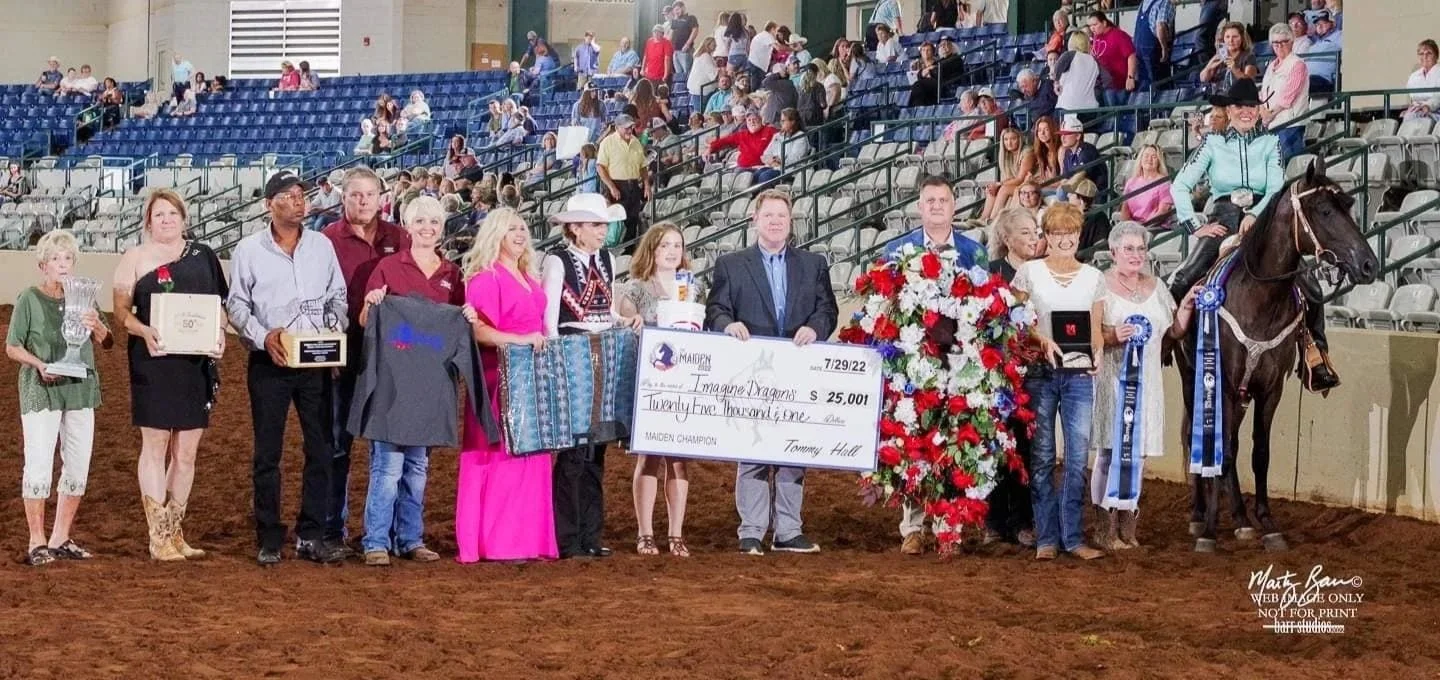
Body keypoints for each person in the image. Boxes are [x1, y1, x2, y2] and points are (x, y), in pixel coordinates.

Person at [1168, 78, 1339, 392]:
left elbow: (1275, 186)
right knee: (1183, 278)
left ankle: (1316, 355)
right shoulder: (1212, 143)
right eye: (1239, 106)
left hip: (1265, 218)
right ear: (1229, 110)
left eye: (1252, 106)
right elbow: (1180, 185)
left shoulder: (1271, 143)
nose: (1246, 111)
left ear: (1259, 110)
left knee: (1311, 287)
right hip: (1223, 217)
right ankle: (1171, 341)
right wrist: (1195, 224)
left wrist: (1255, 215)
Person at [705, 190, 839, 556]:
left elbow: (827, 310)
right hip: (752, 372)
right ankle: (751, 530)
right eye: (769, 215)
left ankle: (788, 530)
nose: (776, 221)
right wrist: (728, 325)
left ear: (791, 221)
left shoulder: (814, 264)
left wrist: (815, 328)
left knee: (793, 450)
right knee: (753, 449)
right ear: (755, 220)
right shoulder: (731, 265)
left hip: (798, 371)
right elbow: (715, 309)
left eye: (782, 215)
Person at [227, 171, 349, 566]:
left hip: (314, 360)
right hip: (270, 361)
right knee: (268, 452)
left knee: (321, 448)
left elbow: (338, 296)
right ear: (269, 204)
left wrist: (332, 331)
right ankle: (269, 537)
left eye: (300, 195)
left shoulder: (321, 246)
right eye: (288, 195)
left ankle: (311, 534)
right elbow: (237, 305)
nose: (298, 201)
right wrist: (264, 336)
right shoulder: (248, 250)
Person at [353, 196, 472, 566]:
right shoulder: (388, 267)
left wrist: (468, 313)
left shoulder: (452, 274)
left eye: (434, 222)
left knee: (417, 468)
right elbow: (364, 321)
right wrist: (372, 303)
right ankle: (376, 540)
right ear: (407, 225)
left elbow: (459, 325)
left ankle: (410, 538)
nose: (427, 228)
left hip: (430, 384)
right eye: (420, 221)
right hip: (393, 383)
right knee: (388, 467)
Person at [112, 190, 228, 561]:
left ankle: (175, 532)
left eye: (172, 213)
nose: (166, 220)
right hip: (154, 360)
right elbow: (120, 312)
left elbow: (219, 306)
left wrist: (220, 333)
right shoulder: (134, 257)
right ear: (148, 221)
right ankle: (158, 535)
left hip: (194, 363)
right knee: (156, 444)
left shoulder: (204, 255)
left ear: (184, 218)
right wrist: (143, 330)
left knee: (187, 452)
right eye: (159, 214)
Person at [882, 177, 988, 554]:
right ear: (920, 207)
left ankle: (948, 526)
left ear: (954, 206)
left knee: (955, 441)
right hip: (914, 363)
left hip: (960, 363)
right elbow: (887, 303)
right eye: (931, 200)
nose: (938, 205)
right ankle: (913, 527)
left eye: (944, 200)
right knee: (912, 442)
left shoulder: (974, 252)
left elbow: (985, 305)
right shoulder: (898, 250)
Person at [541, 194, 645, 559]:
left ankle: (590, 533)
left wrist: (624, 320)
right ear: (575, 228)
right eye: (596, 225)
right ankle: (568, 537)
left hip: (602, 354)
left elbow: (607, 310)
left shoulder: (606, 260)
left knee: (596, 450)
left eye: (603, 225)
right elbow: (550, 320)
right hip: (573, 356)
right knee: (574, 452)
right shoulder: (556, 261)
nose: (603, 231)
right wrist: (557, 365)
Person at [318, 167, 410, 555]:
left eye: (369, 195)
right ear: (344, 198)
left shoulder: (400, 238)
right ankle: (331, 527)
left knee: (386, 447)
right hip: (343, 352)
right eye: (355, 195)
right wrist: (329, 348)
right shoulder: (326, 239)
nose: (363, 201)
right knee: (337, 443)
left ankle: (383, 532)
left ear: (380, 198)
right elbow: (318, 296)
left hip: (388, 356)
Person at [1009, 203, 1106, 562]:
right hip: (1040, 372)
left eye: (1071, 233)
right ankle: (1047, 537)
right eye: (1058, 233)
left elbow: (1095, 329)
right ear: (1047, 237)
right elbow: (1015, 319)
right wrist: (1040, 339)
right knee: (1043, 457)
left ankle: (1073, 537)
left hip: (1078, 375)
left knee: (1077, 458)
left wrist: (1097, 352)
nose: (1065, 239)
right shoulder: (1030, 273)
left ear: (1079, 235)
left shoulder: (1094, 277)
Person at [9, 230, 110, 566]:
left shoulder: (84, 298)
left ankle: (60, 537)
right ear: (43, 265)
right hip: (41, 389)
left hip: (80, 389)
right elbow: (12, 346)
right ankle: (36, 540)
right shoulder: (28, 298)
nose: (63, 264)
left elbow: (107, 342)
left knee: (78, 463)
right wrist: (39, 364)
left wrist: (98, 327)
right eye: (55, 258)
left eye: (67, 258)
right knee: (38, 464)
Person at [1091, 222, 1194, 551]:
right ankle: (1105, 527)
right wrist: (1111, 336)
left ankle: (1128, 523)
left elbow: (1173, 331)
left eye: (1140, 248)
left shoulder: (1157, 286)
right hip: (1113, 382)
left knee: (1139, 453)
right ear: (1113, 252)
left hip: (1148, 383)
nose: (1136, 255)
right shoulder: (1099, 285)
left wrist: (1187, 308)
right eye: (1128, 249)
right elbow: (1091, 333)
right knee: (1110, 452)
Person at [616, 223, 703, 557]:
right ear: (651, 249)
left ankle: (676, 533)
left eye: (677, 245)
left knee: (679, 460)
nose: (672, 251)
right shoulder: (636, 289)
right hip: (650, 384)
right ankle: (646, 533)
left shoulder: (694, 288)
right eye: (665, 245)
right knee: (649, 456)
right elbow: (627, 327)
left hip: (683, 384)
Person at [983, 208, 1041, 546]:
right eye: (1025, 232)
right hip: (996, 374)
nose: (1034, 238)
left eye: (1035, 231)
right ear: (1007, 239)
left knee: (1026, 449)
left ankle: (1022, 520)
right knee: (994, 447)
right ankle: (993, 520)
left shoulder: (1043, 271)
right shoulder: (991, 273)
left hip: (1033, 375)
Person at [597, 114, 650, 252]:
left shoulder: (636, 142)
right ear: (617, 128)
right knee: (617, 221)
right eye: (626, 128)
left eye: (631, 127)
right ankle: (615, 252)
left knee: (632, 220)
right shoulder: (607, 142)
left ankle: (629, 253)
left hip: (633, 185)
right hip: (617, 185)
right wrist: (611, 187)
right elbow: (600, 167)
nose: (629, 130)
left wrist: (646, 185)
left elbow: (643, 166)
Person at [1259, 23, 1312, 163]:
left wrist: (1270, 114)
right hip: (1271, 123)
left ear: (1292, 41)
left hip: (1290, 124)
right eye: (1275, 42)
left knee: (1289, 164)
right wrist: (1263, 110)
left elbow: (1288, 96)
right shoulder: (1271, 66)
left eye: (1284, 41)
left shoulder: (1297, 64)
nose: (1279, 46)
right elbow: (1263, 92)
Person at [979, 127, 1031, 223]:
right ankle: (982, 219)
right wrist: (996, 185)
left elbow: (1020, 179)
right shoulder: (1006, 154)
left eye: (1013, 139)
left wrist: (999, 184)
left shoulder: (1027, 153)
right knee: (992, 189)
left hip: (1029, 183)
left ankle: (992, 220)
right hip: (1016, 184)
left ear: (1019, 139)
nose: (1009, 143)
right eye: (1006, 139)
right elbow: (1009, 178)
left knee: (1003, 189)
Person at [1086, 12, 1138, 107]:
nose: (1092, 28)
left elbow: (1131, 55)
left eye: (1095, 24)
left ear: (1104, 23)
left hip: (1119, 84)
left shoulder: (1118, 35)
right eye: (1090, 26)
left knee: (1118, 112)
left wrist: (1130, 77)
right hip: (1104, 85)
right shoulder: (1095, 37)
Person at [1120, 144, 1174, 226]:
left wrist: (1143, 227)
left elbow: (1163, 211)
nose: (1149, 159)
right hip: (1133, 226)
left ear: (1159, 161)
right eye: (1146, 156)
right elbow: (1125, 210)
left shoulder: (1163, 182)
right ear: (1140, 159)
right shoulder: (1131, 182)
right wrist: (1129, 226)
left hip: (1154, 227)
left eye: (1154, 157)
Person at [708, 108, 776, 172]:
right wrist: (711, 148)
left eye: (754, 119)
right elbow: (726, 141)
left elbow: (781, 137)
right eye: (749, 120)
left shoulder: (769, 131)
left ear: (760, 120)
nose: (752, 122)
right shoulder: (742, 134)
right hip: (742, 168)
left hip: (761, 168)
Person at [1200, 22, 1258, 94]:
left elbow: (1249, 84)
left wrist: (1234, 68)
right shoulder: (1219, 56)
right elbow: (1203, 79)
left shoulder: (1249, 57)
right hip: (1218, 97)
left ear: (1242, 38)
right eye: (1227, 37)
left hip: (1238, 98)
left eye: (1235, 37)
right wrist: (1209, 67)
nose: (1231, 40)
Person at [754, 108, 808, 185]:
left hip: (790, 171)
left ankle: (767, 193)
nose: (780, 123)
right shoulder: (777, 136)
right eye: (780, 120)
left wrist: (779, 161)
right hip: (774, 167)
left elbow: (795, 159)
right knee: (756, 174)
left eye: (783, 121)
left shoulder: (800, 136)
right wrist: (772, 161)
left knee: (765, 176)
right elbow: (766, 153)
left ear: (793, 122)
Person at [1054, 32, 1100, 121]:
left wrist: (1056, 83)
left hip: (1067, 107)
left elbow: (1057, 68)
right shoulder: (1094, 61)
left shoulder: (1070, 55)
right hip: (1090, 110)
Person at [1133, 0, 1175, 90]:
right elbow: (1161, 26)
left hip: (1139, 50)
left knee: (1144, 86)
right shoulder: (1165, 3)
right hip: (1154, 50)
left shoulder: (1143, 3)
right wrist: (1164, 48)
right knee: (1160, 86)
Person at [1304, 10, 1341, 93]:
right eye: (1317, 24)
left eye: (1323, 23)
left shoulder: (1339, 35)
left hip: (1322, 79)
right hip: (1307, 78)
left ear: (1333, 24)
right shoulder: (1315, 43)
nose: (1320, 26)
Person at [1405, 40, 1440, 122]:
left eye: (1429, 53)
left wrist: (1427, 106)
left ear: (1436, 56)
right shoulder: (1413, 76)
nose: (1425, 56)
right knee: (1409, 116)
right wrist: (1413, 108)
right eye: (1421, 54)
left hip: (1436, 112)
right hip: (1418, 112)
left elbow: (1438, 97)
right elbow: (1413, 98)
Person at [670, 0, 700, 76]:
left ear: (683, 8)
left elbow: (695, 30)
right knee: (678, 75)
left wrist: (687, 44)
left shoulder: (690, 18)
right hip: (675, 51)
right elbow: (671, 33)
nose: (676, 12)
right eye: (674, 10)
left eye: (677, 9)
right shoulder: (675, 20)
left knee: (687, 73)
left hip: (685, 50)